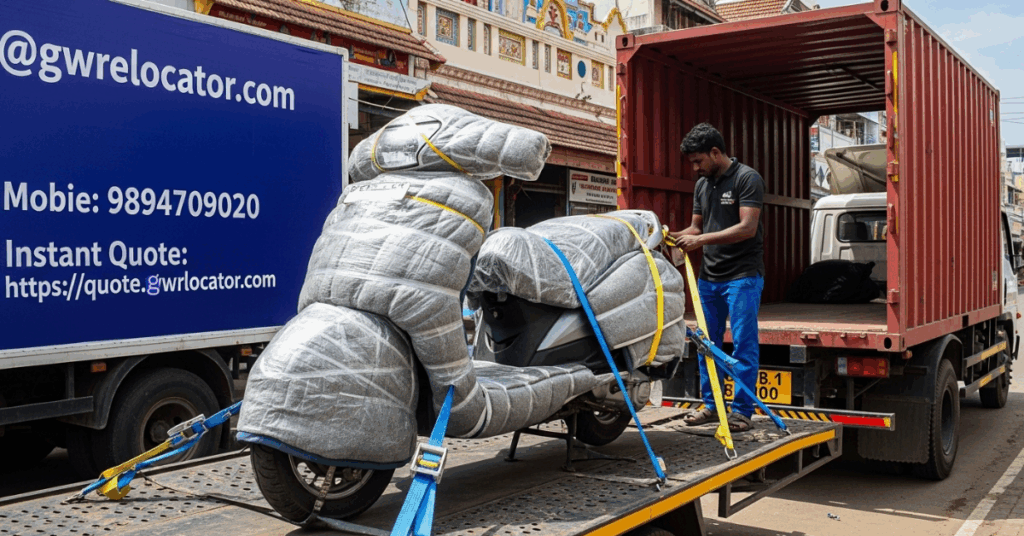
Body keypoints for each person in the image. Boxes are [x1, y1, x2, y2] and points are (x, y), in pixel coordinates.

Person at [669, 123, 765, 433]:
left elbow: (747, 228)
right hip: (709, 279)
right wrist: (669, 236)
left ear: (715, 152)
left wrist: (700, 242)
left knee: (742, 346)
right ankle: (711, 405)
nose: (695, 168)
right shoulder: (702, 185)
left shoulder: (747, 179)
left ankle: (741, 411)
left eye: (698, 161)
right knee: (705, 344)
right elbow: (696, 229)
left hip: (742, 277)